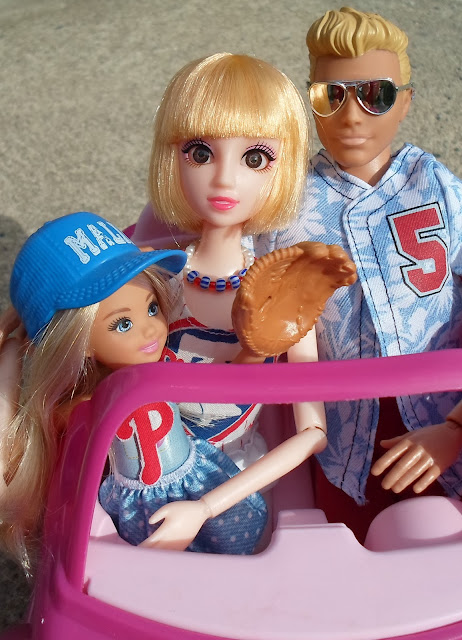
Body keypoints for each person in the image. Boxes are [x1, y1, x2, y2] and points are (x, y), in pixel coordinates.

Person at [254, 7, 462, 539]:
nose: (352, 116)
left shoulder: (435, 184)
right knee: (354, 547)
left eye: (377, 95)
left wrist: (456, 426)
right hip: (345, 437)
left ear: (406, 101)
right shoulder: (289, 203)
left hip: (445, 406)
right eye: (332, 95)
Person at [0, 211, 269, 573]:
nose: (151, 330)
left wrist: (255, 351)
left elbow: (223, 397)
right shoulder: (87, 405)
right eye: (122, 324)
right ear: (78, 342)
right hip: (139, 514)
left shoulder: (171, 361)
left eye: (152, 308)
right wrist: (12, 348)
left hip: (199, 485)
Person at [137, 52, 327, 470]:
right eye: (200, 153)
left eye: (254, 159)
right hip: (150, 468)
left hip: (236, 471)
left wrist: (211, 501)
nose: (224, 179)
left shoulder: (281, 294)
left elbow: (313, 432)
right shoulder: (155, 276)